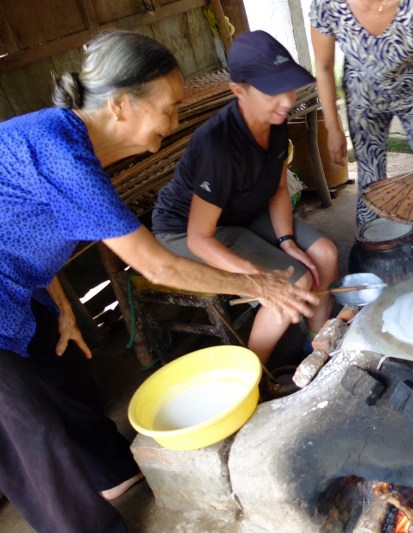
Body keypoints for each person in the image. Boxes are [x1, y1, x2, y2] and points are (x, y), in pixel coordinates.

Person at [0, 30, 317, 533]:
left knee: (69, 381)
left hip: (18, 288)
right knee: (30, 440)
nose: (173, 124)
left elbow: (24, 230)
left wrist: (60, 306)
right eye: (168, 108)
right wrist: (263, 287)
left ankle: (117, 476)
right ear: (122, 105)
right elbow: (158, 265)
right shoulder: (61, 153)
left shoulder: (71, 151)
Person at [151, 31, 339, 364]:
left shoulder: (276, 119)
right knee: (292, 285)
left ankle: (317, 348)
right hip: (187, 231)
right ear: (238, 91)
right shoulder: (219, 146)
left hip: (241, 211)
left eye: (289, 87)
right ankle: (256, 376)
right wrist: (259, 279)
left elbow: (279, 188)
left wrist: (286, 241)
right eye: (272, 91)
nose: (286, 100)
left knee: (324, 254)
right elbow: (199, 239)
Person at [309, 0, 413, 272]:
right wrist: (333, 127)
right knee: (370, 183)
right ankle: (373, 267)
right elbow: (323, 68)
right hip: (363, 94)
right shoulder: (327, 5)